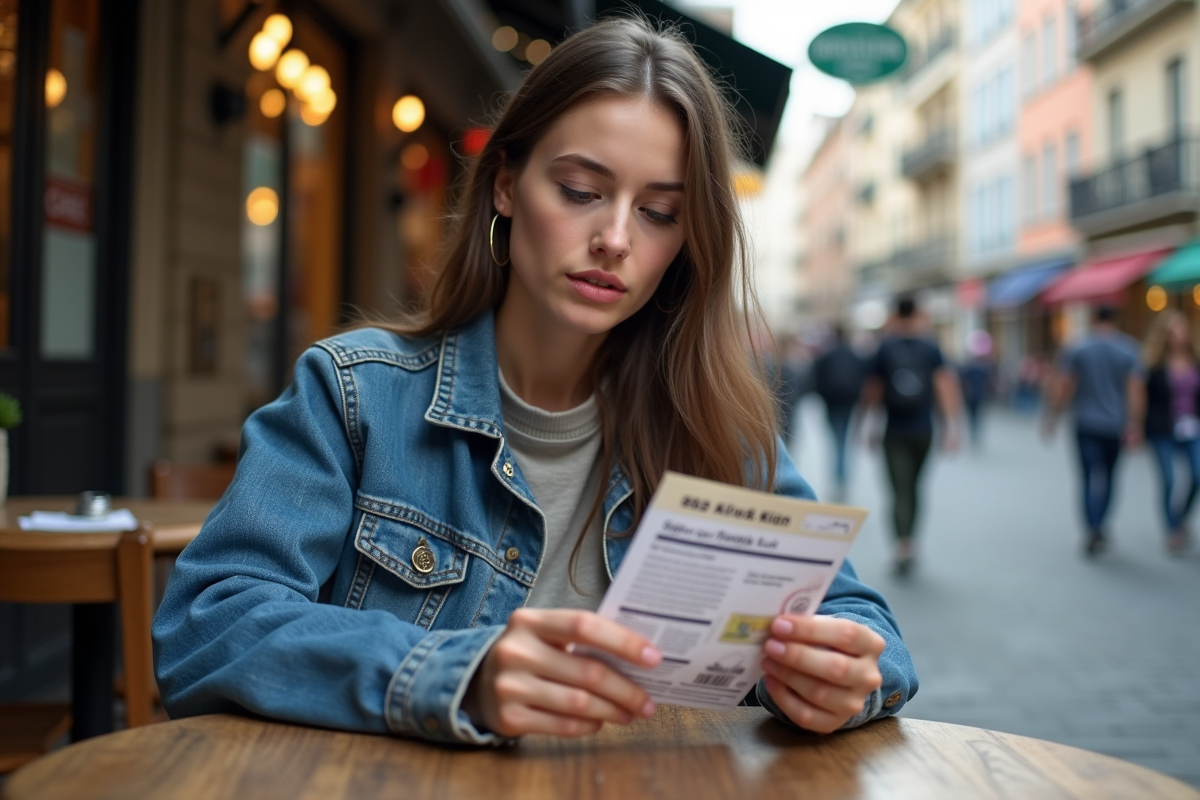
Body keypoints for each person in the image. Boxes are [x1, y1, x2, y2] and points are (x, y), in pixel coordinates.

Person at [152, 19, 916, 745]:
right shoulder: (356, 396)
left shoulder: (717, 427)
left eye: (657, 212)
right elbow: (207, 627)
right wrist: (458, 677)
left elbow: (861, 624)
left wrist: (848, 672)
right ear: (506, 186)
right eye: (581, 191)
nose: (615, 238)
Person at [860, 296, 962, 576]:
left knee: (897, 490)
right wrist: (953, 428)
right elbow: (945, 387)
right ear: (917, 314)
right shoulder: (931, 346)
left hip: (894, 430)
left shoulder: (885, 347)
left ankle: (901, 544)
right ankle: (911, 543)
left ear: (894, 315)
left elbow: (873, 389)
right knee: (915, 488)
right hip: (923, 429)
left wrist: (866, 424)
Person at [1042, 305, 1145, 556]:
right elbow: (1135, 390)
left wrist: (1052, 417)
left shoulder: (1078, 348)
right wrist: (1136, 424)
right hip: (1115, 424)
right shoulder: (1129, 349)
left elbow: (1065, 386)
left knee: (1088, 477)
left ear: (1093, 319)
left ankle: (1091, 527)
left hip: (1086, 423)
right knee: (1109, 477)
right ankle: (1101, 524)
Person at [1142, 310, 1199, 554]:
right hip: (1162, 429)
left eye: (1181, 331)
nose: (1178, 337)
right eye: (1173, 332)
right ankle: (1172, 529)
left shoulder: (1195, 361)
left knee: (1197, 476)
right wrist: (1139, 430)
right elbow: (1144, 400)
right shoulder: (1154, 366)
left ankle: (1180, 518)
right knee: (1169, 480)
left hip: (1192, 428)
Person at [812, 324, 866, 502]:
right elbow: (863, 378)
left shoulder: (827, 354)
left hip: (832, 402)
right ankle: (842, 479)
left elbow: (816, 377)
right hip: (848, 402)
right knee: (843, 439)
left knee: (836, 439)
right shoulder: (854, 355)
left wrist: (823, 396)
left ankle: (838, 477)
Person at [957, 330, 995, 448]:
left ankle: (975, 434)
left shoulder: (980, 366)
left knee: (975, 416)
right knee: (974, 416)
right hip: (973, 396)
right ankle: (974, 434)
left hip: (976, 395)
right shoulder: (973, 367)